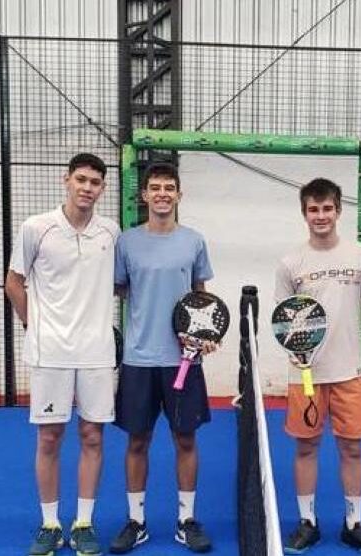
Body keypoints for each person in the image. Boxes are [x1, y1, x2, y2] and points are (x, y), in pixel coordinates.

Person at [5, 153, 120, 556]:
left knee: (92, 435)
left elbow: (122, 284)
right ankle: (51, 524)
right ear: (66, 180)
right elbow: (14, 283)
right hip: (49, 352)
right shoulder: (36, 227)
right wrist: (32, 326)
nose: (87, 188)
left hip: (97, 353)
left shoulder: (111, 232)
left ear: (102, 189)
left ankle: (84, 523)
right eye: (81, 179)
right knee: (50, 437)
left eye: (95, 182)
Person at [109, 162, 217, 554]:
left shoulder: (194, 241)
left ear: (179, 195)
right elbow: (120, 289)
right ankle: (135, 522)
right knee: (137, 441)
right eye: (155, 187)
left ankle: (186, 519)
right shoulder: (126, 242)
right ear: (144, 195)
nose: (162, 194)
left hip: (184, 360)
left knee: (185, 439)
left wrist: (202, 337)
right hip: (139, 359)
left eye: (169, 187)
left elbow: (201, 296)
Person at [274, 178, 361, 555]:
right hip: (305, 374)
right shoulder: (291, 261)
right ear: (304, 213)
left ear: (338, 211)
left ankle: (354, 523)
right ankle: (308, 522)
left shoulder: (360, 254)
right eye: (313, 209)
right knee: (306, 447)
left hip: (351, 372)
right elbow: (281, 318)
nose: (320, 216)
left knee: (352, 449)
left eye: (327, 209)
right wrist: (294, 352)